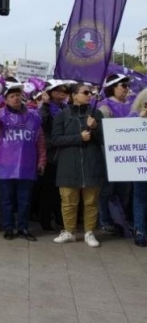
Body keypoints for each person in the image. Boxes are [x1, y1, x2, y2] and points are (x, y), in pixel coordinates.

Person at [0, 83, 46, 241]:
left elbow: (40, 141)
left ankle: (23, 228)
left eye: (18, 95)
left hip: (28, 165)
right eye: (12, 96)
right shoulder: (1, 114)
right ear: (6, 99)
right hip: (5, 165)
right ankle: (8, 227)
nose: (16, 98)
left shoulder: (34, 116)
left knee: (25, 200)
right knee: (6, 200)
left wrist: (42, 161)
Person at [51, 82, 106, 248]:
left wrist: (96, 128)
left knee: (91, 202)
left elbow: (106, 139)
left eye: (90, 93)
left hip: (91, 164)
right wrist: (79, 138)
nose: (89, 95)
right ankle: (69, 231)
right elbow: (55, 140)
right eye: (85, 92)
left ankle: (89, 232)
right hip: (68, 164)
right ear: (74, 95)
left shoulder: (96, 113)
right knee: (68, 201)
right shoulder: (62, 115)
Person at [97, 74, 133, 236]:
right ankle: (105, 220)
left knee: (125, 189)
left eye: (127, 85)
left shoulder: (132, 105)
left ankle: (122, 219)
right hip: (109, 154)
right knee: (107, 189)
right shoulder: (104, 106)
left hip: (129, 154)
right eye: (123, 85)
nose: (126, 89)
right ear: (113, 87)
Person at [37, 80, 68, 232]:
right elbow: (41, 122)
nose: (61, 94)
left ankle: (60, 218)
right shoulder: (44, 108)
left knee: (60, 190)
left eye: (63, 91)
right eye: (58, 91)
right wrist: (46, 105)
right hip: (50, 154)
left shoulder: (65, 107)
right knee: (48, 190)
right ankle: (45, 221)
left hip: (62, 153)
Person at [130, 89, 147, 247]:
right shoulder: (134, 116)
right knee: (140, 198)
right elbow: (122, 131)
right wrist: (138, 118)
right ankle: (140, 231)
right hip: (140, 166)